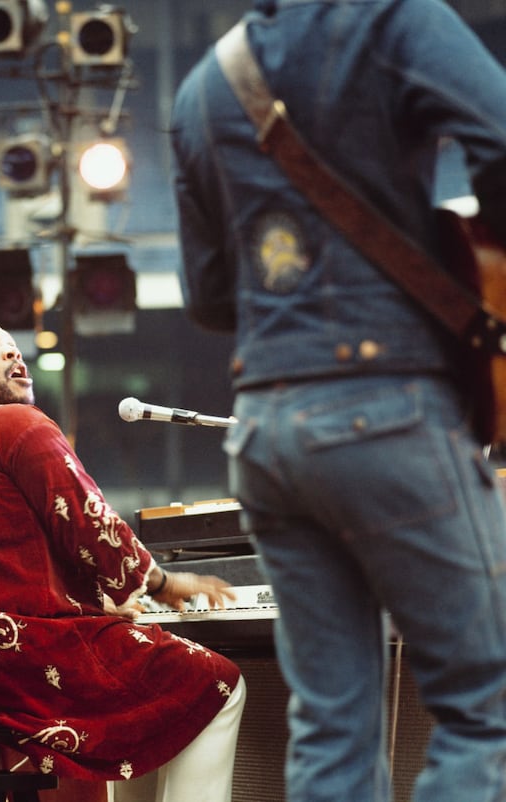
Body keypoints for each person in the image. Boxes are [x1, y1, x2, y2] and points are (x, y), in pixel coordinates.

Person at [170, 2, 506, 801]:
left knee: (331, 726)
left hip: (264, 428)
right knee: (485, 703)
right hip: (387, 406)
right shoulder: (397, 18)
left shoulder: (199, 86)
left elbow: (211, 299)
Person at [0, 319, 247, 802]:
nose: (13, 356)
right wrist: (159, 582)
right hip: (12, 655)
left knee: (154, 702)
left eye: (14, 348)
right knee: (218, 682)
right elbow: (85, 520)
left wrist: (100, 603)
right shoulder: (12, 421)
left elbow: (9, 555)